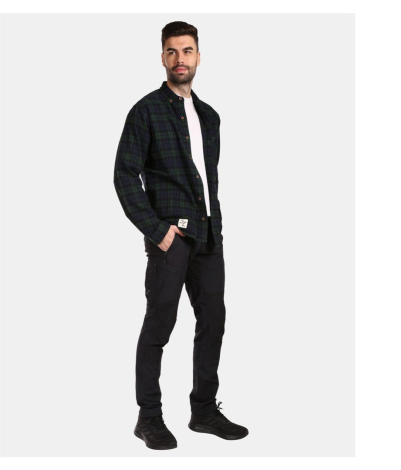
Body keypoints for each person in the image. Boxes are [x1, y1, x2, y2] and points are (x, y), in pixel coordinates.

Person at [113, 21, 248, 450]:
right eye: (172, 51)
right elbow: (124, 175)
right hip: (171, 239)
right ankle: (148, 417)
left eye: (187, 51)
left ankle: (203, 411)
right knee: (160, 324)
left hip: (208, 237)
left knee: (214, 323)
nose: (180, 59)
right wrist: (158, 231)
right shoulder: (146, 111)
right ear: (162, 58)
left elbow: (208, 180)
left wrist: (215, 228)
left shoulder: (210, 116)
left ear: (199, 56)